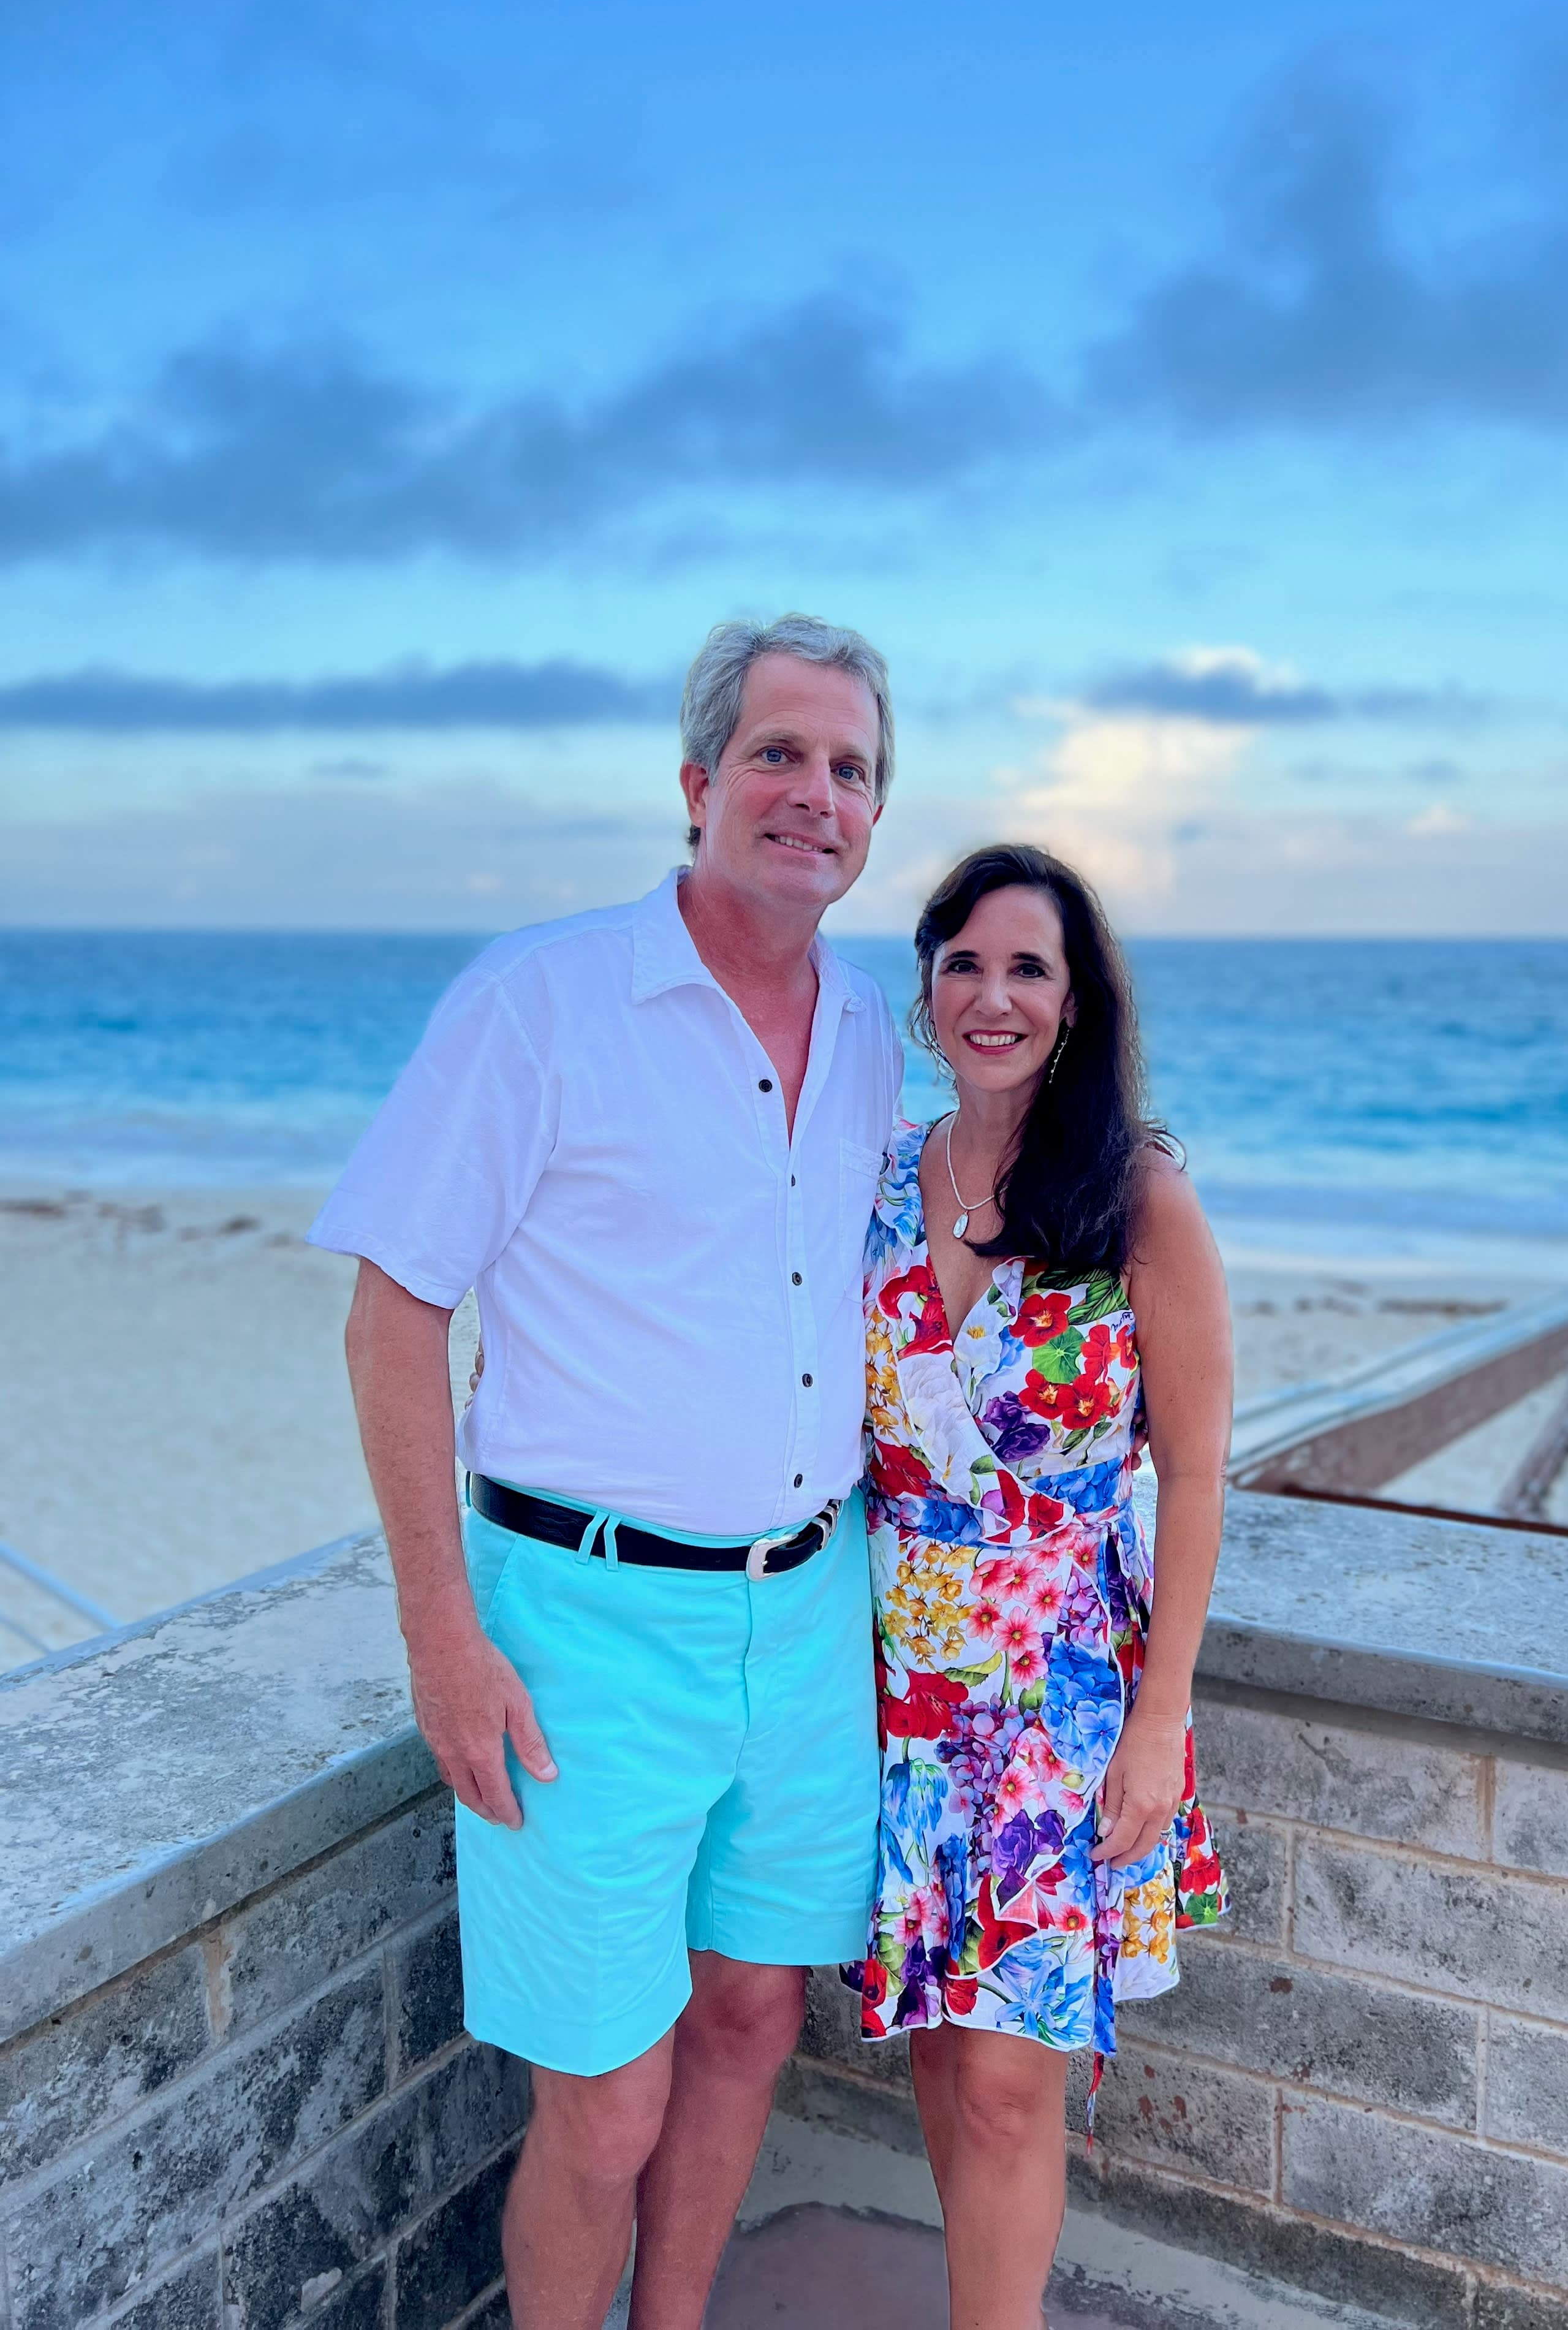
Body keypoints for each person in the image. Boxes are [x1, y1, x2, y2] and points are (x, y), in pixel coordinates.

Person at [308, 615, 903, 2330]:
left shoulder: (872, 1030)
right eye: (780, 754)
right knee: (607, 2102)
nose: (816, 793)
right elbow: (393, 1317)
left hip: (809, 1619)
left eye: (852, 768)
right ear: (699, 782)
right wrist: (441, 1632)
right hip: (581, 1632)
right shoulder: (540, 1000)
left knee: (752, 2024)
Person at [849, 843, 1233, 2330]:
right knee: (944, 2050)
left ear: (1076, 1004)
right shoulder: (882, 1178)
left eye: (1030, 968)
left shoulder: (1135, 1196)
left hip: (1060, 1697)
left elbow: (1195, 1471)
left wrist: (1160, 1718)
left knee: (1011, 2082)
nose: (993, 996)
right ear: (926, 990)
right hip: (898, 1684)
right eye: (965, 964)